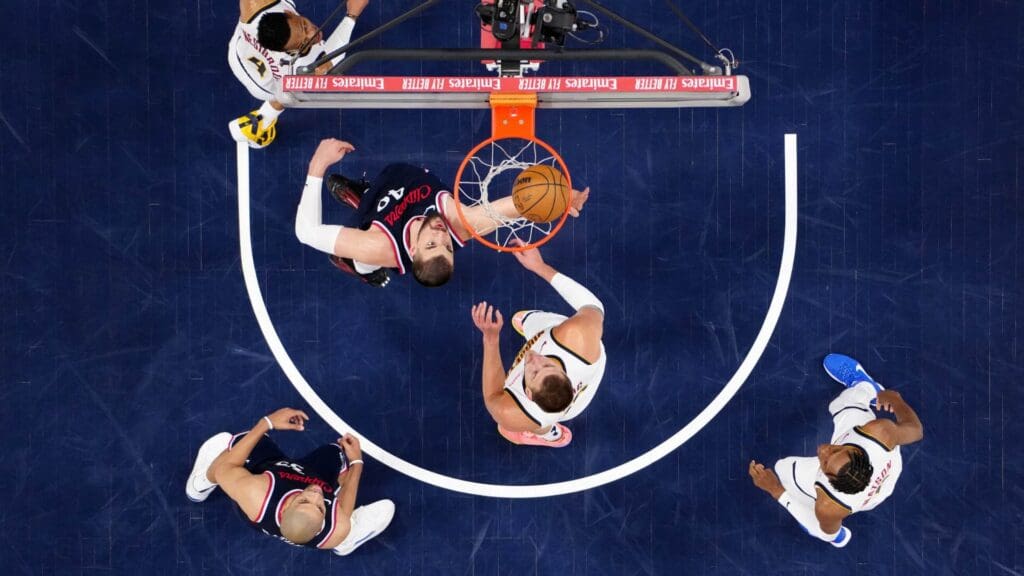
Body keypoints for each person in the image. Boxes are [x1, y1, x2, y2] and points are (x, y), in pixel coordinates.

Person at [294, 138, 591, 288]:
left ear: (412, 248)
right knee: (378, 198)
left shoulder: (378, 247)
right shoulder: (457, 225)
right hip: (393, 184)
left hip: (378, 227)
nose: (440, 235)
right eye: (448, 247)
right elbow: (512, 207)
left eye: (431, 244)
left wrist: (317, 165)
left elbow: (305, 232)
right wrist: (562, 197)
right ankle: (363, 196)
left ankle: (361, 221)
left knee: (359, 262)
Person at [748, 354, 924, 547]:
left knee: (783, 469)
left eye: (824, 463)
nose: (822, 450)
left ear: (830, 481)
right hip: (886, 474)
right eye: (835, 450)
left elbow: (829, 536)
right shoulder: (879, 433)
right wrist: (894, 399)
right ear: (857, 452)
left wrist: (775, 490)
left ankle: (808, 502)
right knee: (840, 405)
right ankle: (867, 388)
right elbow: (915, 431)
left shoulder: (828, 505)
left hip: (860, 500)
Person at [186, 407, 394, 555]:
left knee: (233, 451)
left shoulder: (257, 495)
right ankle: (345, 543)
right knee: (338, 454)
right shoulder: (337, 527)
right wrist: (357, 462)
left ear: (285, 509)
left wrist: (266, 423)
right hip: (307, 479)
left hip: (272, 472)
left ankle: (199, 485)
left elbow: (226, 469)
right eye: (321, 507)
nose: (316, 495)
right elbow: (343, 512)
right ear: (323, 521)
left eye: (304, 501)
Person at [470, 242, 606, 447]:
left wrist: (491, 339)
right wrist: (539, 266)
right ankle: (549, 429)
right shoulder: (576, 337)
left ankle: (545, 434)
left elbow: (492, 396)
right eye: (548, 365)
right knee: (545, 324)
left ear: (528, 394)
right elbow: (594, 307)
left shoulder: (513, 412)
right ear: (565, 376)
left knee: (537, 422)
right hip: (582, 367)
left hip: (552, 410)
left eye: (533, 372)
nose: (534, 359)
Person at [228, 0, 370, 148]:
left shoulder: (256, 4)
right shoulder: (303, 66)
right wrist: (351, 15)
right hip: (263, 84)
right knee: (296, 89)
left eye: (304, 25)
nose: (313, 33)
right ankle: (263, 121)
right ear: (288, 51)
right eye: (304, 42)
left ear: (288, 13)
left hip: (243, 48)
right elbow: (330, 62)